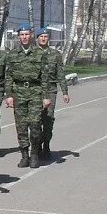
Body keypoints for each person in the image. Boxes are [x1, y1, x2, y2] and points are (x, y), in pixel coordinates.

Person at [4, 24, 47, 169]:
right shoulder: (12, 54)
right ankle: (24, 155)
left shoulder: (40, 53)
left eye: (27, 34)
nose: (24, 37)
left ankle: (34, 153)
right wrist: (9, 95)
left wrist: (46, 96)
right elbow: (8, 76)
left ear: (31, 35)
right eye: (21, 34)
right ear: (18, 37)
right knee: (21, 126)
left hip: (35, 92)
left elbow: (45, 77)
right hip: (19, 92)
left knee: (35, 124)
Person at [36, 27, 70, 160]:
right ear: (37, 38)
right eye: (41, 36)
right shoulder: (33, 53)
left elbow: (60, 73)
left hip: (50, 90)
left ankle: (46, 145)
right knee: (36, 120)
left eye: (45, 36)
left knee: (48, 119)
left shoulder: (55, 54)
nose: (43, 39)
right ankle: (37, 146)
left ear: (48, 38)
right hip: (36, 90)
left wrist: (65, 92)